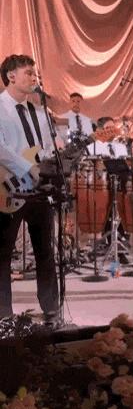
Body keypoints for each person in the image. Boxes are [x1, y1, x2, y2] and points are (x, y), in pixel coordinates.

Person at [0, 54, 58, 325]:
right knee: (2, 255)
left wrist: (55, 161)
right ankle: (4, 316)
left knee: (45, 251)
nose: (34, 78)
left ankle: (51, 309)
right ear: (11, 76)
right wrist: (28, 168)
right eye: (29, 73)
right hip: (7, 190)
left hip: (38, 190)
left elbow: (45, 149)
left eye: (35, 74)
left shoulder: (40, 112)